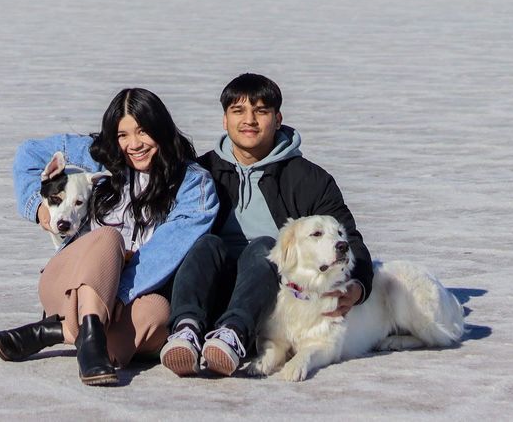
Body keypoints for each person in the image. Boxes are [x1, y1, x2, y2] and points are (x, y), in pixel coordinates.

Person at [0, 87, 218, 385]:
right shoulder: (96, 157)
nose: (134, 144)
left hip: (129, 298)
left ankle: (58, 332)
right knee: (109, 239)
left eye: (143, 132)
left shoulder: (193, 185)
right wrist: (38, 206)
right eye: (123, 135)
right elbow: (29, 153)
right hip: (68, 286)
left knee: (158, 314)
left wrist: (120, 292)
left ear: (161, 129)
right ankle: (88, 331)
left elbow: (167, 249)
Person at [159, 72, 373, 377]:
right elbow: (170, 234)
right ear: (225, 120)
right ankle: (186, 331)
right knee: (206, 244)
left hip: (270, 297)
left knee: (263, 246)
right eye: (238, 111)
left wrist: (358, 287)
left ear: (277, 118)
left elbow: (348, 238)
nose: (249, 120)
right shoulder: (202, 173)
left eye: (261, 111)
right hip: (212, 286)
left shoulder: (308, 179)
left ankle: (233, 336)